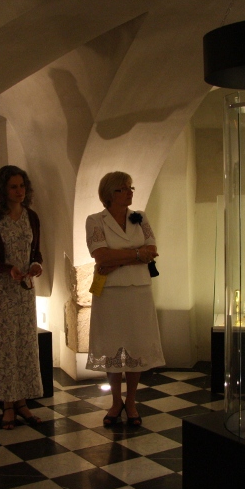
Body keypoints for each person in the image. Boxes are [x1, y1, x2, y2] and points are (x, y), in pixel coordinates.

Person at [85, 171, 165, 427]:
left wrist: (120, 258)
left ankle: (131, 401)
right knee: (112, 346)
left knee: (136, 345)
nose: (130, 192)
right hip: (110, 292)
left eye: (131, 188)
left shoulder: (139, 217)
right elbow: (101, 256)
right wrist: (136, 255)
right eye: (123, 189)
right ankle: (115, 400)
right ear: (110, 194)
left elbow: (152, 250)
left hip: (138, 290)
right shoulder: (95, 220)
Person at [0, 165, 44, 430]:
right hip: (0, 291)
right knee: (3, 347)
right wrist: (6, 268)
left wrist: (36, 265)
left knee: (24, 344)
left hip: (24, 291)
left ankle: (22, 402)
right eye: (13, 186)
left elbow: (36, 252)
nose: (19, 191)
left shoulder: (31, 216)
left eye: (22, 186)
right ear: (2, 189)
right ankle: (8, 405)